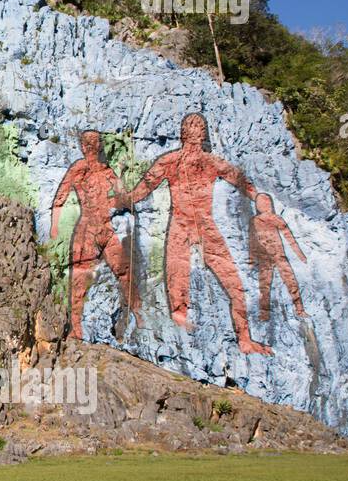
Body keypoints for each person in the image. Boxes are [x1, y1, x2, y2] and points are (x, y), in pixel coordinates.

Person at [116, 113, 271, 355]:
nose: (194, 131)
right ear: (183, 133)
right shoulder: (171, 161)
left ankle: (244, 338)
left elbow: (239, 179)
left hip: (205, 225)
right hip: (181, 223)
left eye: (198, 127)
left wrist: (257, 196)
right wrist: (123, 199)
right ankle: (180, 323)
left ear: (203, 134)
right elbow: (143, 188)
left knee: (234, 284)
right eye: (190, 127)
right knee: (178, 276)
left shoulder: (211, 163)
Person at [50, 130, 141, 340]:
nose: (91, 146)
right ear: (82, 146)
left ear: (99, 145)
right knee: (80, 275)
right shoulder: (78, 168)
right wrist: (54, 226)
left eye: (95, 142)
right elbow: (60, 196)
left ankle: (138, 315)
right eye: (87, 142)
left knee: (124, 270)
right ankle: (76, 327)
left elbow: (124, 197)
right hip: (86, 229)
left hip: (107, 229)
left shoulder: (106, 171)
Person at [250, 193, 307, 321]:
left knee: (291, 282)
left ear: (269, 204)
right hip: (264, 257)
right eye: (260, 202)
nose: (263, 205)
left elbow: (289, 238)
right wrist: (252, 259)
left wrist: (300, 255)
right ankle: (264, 314)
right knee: (264, 286)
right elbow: (252, 241)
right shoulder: (255, 221)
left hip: (279, 255)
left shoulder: (276, 218)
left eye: (265, 202)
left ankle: (299, 309)